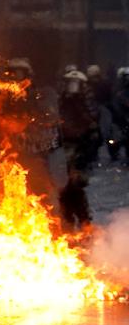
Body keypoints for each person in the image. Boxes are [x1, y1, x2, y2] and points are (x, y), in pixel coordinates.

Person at [58, 69, 98, 229]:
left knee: (75, 188)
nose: (72, 87)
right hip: (63, 150)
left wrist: (86, 153)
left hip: (80, 151)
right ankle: (68, 219)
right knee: (63, 188)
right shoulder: (61, 101)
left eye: (75, 84)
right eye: (70, 83)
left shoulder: (87, 103)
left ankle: (83, 220)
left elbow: (93, 126)